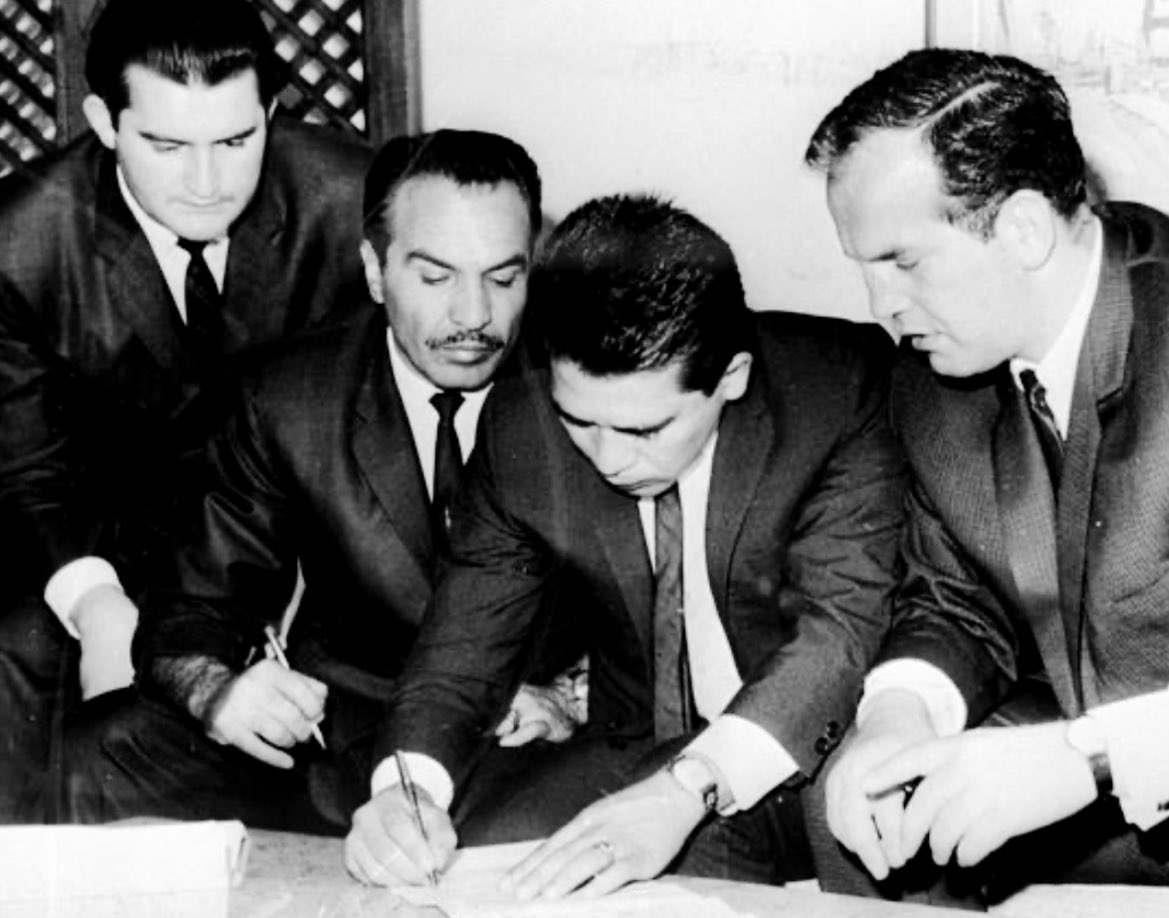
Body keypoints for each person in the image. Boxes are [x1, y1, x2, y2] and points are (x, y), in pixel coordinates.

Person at [343, 193, 904, 897]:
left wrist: (685, 789)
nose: (608, 458)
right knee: (463, 868)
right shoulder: (523, 427)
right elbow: (460, 651)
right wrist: (405, 789)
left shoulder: (833, 391)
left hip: (812, 746)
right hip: (638, 746)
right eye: (580, 420)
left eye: (644, 431)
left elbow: (838, 636)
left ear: (728, 378)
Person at [63, 128, 583, 832]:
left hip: (516, 745)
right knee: (106, 751)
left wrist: (572, 697)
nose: (474, 317)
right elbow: (193, 608)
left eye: (503, 277)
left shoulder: (588, 388)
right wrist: (220, 693)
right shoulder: (289, 396)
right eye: (435, 277)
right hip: (331, 742)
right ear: (374, 270)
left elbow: (672, 613)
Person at [805, 47, 1169, 902]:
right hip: (1098, 816)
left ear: (1024, 229)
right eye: (863, 268)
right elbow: (950, 597)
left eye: (901, 262)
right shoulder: (935, 380)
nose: (879, 308)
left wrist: (1092, 755)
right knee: (847, 810)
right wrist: (897, 713)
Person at [0, 0, 371, 821]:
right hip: (110, 552)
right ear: (104, 121)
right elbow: (29, 474)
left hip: (306, 541)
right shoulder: (18, 243)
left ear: (270, 112)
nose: (208, 183)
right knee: (17, 662)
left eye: (236, 141)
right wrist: (101, 613)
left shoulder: (354, 203)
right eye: (167, 146)